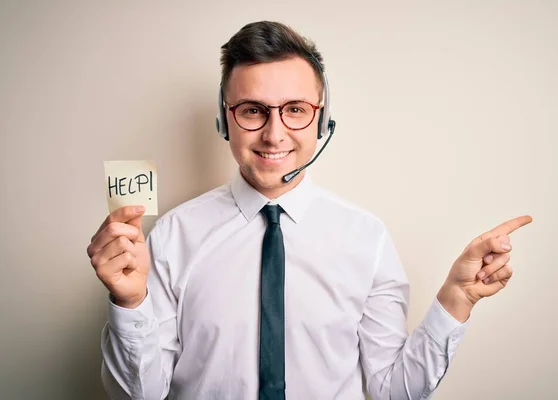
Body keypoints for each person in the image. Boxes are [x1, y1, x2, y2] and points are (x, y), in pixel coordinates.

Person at [87, 21, 532, 400]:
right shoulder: (172, 236)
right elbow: (144, 393)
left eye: (295, 110)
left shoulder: (367, 239)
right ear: (225, 120)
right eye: (252, 110)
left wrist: (457, 298)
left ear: (320, 121)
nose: (274, 134)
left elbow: (391, 390)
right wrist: (129, 303)